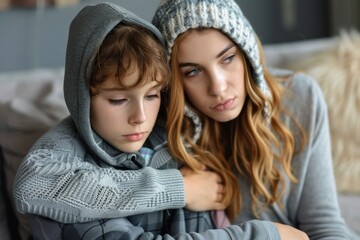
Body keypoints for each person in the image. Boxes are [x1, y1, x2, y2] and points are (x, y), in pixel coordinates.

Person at [14, 2, 309, 240]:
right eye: (118, 100)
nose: (140, 118)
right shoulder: (69, 161)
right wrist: (179, 188)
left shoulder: (172, 131)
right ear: (82, 97)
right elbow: (32, 185)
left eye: (153, 95)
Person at [151, 0, 359, 239]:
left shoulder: (300, 96)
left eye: (227, 58)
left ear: (246, 52)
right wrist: (177, 189)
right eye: (193, 72)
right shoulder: (161, 133)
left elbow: (324, 223)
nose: (218, 87)